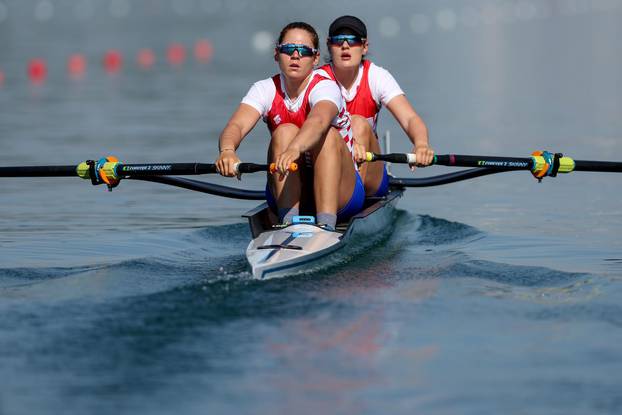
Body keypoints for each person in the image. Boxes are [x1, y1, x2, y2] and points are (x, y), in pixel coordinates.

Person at [216, 22, 365, 231]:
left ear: (315, 59)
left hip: (342, 193)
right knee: (284, 131)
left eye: (304, 51)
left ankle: (326, 225)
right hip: (291, 187)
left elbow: (319, 120)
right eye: (288, 49)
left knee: (328, 134)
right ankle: (288, 222)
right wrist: (227, 151)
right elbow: (237, 125)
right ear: (277, 54)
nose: (295, 55)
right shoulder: (264, 89)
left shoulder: (325, 86)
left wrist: (295, 148)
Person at [318, 15, 435, 196]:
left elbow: (410, 118)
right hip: (325, 165)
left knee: (357, 123)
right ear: (329, 45)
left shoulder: (377, 77)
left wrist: (421, 145)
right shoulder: (317, 79)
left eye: (353, 41)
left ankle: (349, 199)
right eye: (338, 40)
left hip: (369, 168)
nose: (345, 46)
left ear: (364, 47)